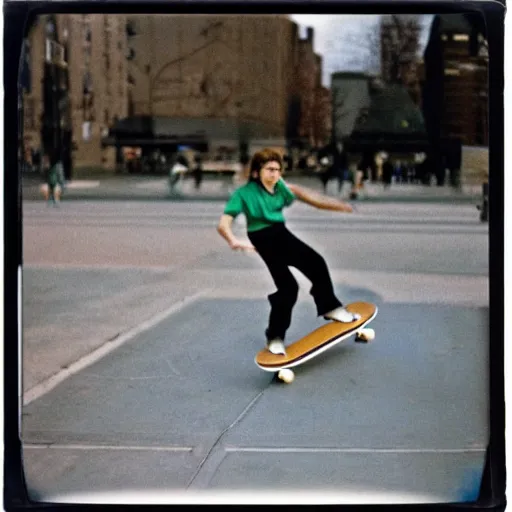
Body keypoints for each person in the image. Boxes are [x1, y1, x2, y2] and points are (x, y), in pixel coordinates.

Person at [217, 148, 360, 355]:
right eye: (269, 170)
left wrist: (341, 206)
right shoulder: (243, 194)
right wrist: (233, 240)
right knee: (288, 288)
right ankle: (274, 337)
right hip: (262, 237)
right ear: (257, 172)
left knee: (316, 263)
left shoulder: (281, 187)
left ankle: (330, 307)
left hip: (280, 233)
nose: (274, 174)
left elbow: (313, 199)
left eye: (277, 170)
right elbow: (223, 224)